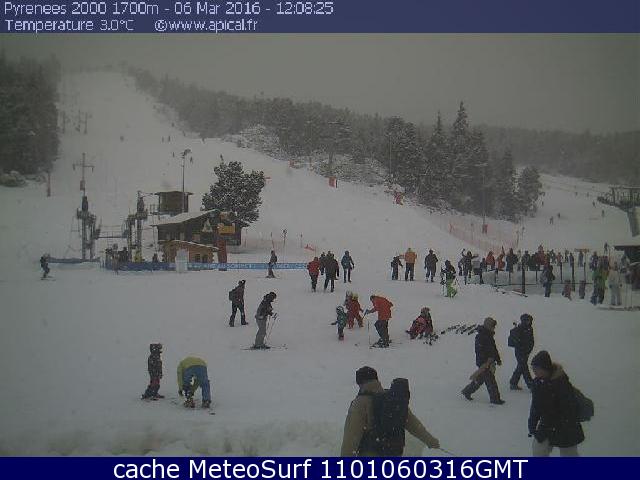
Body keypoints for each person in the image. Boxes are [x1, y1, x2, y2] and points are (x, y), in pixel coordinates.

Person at [340, 366, 440, 456]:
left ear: (360, 383)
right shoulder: (392, 400)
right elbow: (414, 425)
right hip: (393, 452)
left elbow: (351, 436)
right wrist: (430, 441)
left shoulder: (360, 403)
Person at [528, 351, 584, 457]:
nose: (533, 371)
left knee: (569, 455)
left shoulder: (562, 384)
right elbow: (535, 406)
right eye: (532, 368)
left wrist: (553, 422)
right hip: (547, 425)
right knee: (538, 450)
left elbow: (569, 410)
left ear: (545, 368)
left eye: (536, 368)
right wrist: (532, 423)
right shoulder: (537, 383)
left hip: (566, 427)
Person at [461, 317, 505, 405]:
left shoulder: (489, 336)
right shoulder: (480, 336)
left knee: (480, 379)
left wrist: (497, 359)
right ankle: (495, 399)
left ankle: (467, 391)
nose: (494, 328)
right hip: (484, 363)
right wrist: (484, 362)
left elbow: (493, 349)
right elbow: (479, 351)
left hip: (489, 362)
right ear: (488, 326)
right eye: (492, 326)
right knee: (491, 381)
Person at [508, 314, 534, 390]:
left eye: (530, 320)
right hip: (520, 352)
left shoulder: (529, 329)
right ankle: (531, 385)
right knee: (524, 368)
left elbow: (531, 340)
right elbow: (518, 342)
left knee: (521, 367)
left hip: (526, 351)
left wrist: (529, 350)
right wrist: (522, 346)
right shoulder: (520, 329)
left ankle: (513, 382)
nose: (529, 322)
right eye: (527, 320)